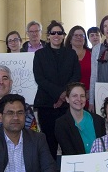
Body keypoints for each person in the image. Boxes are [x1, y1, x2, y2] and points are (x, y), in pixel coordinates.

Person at [33, 20, 80, 158]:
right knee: (49, 143)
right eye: (53, 32)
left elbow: (76, 75)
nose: (56, 35)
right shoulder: (40, 54)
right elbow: (40, 79)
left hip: (67, 105)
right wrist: (59, 94)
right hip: (46, 105)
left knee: (69, 143)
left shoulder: (71, 54)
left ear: (64, 36)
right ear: (48, 36)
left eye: (59, 33)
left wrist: (64, 94)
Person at [54, 83, 106, 155]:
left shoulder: (98, 120)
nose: (79, 99)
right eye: (74, 96)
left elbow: (104, 149)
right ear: (67, 99)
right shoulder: (61, 124)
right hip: (75, 164)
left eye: (82, 96)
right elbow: (68, 152)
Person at [65, 25, 91, 90]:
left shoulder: (92, 54)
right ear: (70, 39)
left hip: (89, 94)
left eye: (81, 35)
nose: (78, 37)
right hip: (69, 94)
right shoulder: (64, 56)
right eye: (75, 35)